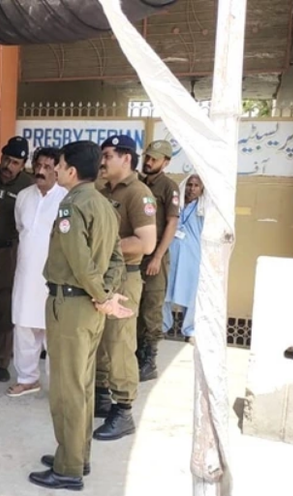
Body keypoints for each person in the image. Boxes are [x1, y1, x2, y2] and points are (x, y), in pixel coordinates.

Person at [28, 140, 130, 491]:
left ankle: (68, 467)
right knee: (83, 387)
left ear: (71, 170)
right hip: (90, 308)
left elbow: (78, 260)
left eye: (58, 165)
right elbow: (117, 259)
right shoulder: (103, 204)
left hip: (71, 305)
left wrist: (102, 296)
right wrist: (107, 294)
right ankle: (77, 455)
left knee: (67, 390)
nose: (54, 170)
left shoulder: (72, 205)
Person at [93, 134, 156, 441]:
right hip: (100, 276)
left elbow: (145, 243)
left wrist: (104, 246)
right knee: (101, 339)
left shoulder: (138, 193)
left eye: (108, 155)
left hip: (125, 277)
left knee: (119, 342)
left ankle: (124, 410)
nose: (102, 161)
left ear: (126, 158)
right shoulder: (100, 188)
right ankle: (102, 395)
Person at [8, 147, 67, 397]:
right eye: (38, 165)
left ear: (58, 170)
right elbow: (21, 227)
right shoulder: (23, 196)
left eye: (47, 167)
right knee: (23, 326)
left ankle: (59, 387)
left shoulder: (66, 197)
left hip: (54, 275)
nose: (40, 171)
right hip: (26, 273)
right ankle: (28, 378)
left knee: (53, 332)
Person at [0, 136, 34, 382]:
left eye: (15, 162)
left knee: (4, 306)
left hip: (9, 252)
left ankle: (1, 361)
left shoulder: (28, 185)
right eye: (6, 159)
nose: (8, 166)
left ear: (23, 165)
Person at [137, 140, 180, 381]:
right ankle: (134, 355)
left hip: (155, 258)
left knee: (151, 309)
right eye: (147, 157)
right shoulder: (139, 183)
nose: (149, 162)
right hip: (136, 254)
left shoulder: (168, 187)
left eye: (154, 159)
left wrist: (158, 256)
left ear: (166, 162)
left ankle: (149, 361)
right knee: (134, 307)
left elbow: (172, 223)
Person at [163, 174, 205, 342]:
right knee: (165, 290)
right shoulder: (176, 204)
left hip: (192, 255)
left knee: (191, 292)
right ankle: (163, 326)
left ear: (202, 189)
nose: (192, 188)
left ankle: (190, 330)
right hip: (171, 252)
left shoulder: (204, 208)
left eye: (196, 185)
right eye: (189, 184)